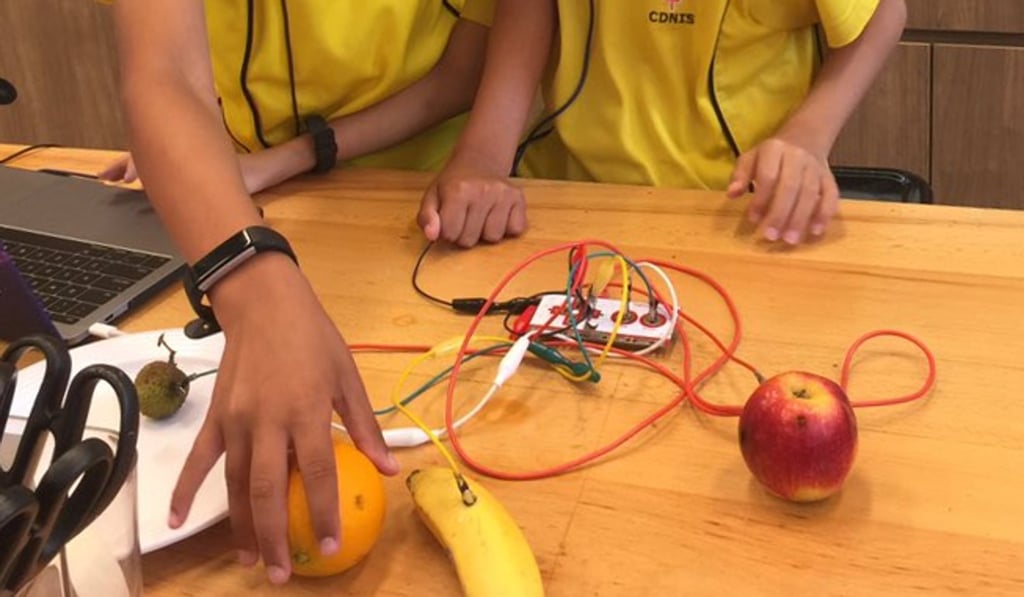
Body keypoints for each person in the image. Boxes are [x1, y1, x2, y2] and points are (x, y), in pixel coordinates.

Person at [109, 0, 490, 585]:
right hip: (239, 199)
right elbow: (164, 70)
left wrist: (288, 162)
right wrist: (250, 272)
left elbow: (469, 59)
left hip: (425, 208)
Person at [417, 0, 907, 248]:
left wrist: (808, 136)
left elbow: (882, 12)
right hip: (567, 205)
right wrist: (481, 158)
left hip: (741, 213)